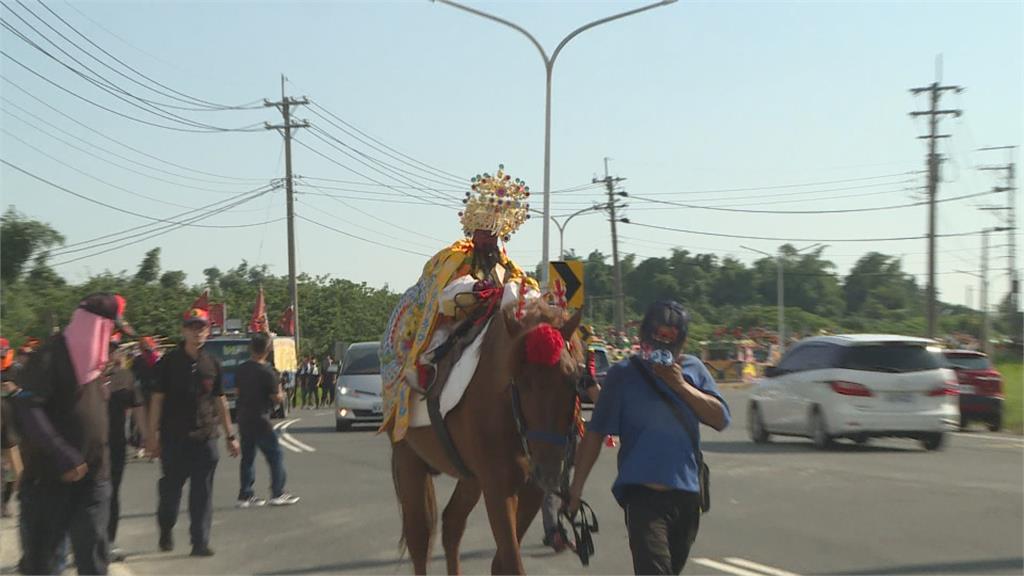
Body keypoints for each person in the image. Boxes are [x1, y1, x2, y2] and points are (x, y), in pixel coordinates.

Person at [567, 300, 731, 575]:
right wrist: (576, 490)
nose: (664, 343)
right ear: (646, 334)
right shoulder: (623, 375)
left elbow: (720, 418)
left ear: (682, 340)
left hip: (688, 499)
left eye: (671, 336)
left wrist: (679, 385)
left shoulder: (693, 370)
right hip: (643, 500)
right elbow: (595, 434)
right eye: (659, 335)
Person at [380, 165, 538, 443]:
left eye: (493, 233)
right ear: (473, 230)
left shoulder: (505, 263)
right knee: (442, 336)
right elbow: (443, 291)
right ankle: (424, 371)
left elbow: (522, 286)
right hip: (461, 317)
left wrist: (520, 293)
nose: (488, 238)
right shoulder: (455, 256)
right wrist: (476, 288)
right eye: (483, 231)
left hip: (497, 319)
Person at [14, 292, 135, 575]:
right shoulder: (49, 356)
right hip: (50, 479)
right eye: (109, 330)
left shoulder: (95, 369)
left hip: (93, 480)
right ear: (94, 326)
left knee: (93, 557)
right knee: (44, 563)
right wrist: (64, 455)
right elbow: (28, 408)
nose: (111, 339)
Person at [147, 307, 239, 558]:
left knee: (203, 492)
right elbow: (157, 400)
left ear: (208, 331)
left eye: (202, 327)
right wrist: (151, 436)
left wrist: (230, 435)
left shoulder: (213, 364)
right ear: (183, 330)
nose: (197, 332)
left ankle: (199, 541)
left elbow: (220, 400)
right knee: (171, 493)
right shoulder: (168, 363)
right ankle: (166, 528)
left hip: (206, 437)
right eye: (192, 327)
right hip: (175, 438)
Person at [540, 324, 602, 553]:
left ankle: (559, 528)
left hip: (571, 429)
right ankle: (554, 531)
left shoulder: (578, 365)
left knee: (564, 483)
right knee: (551, 483)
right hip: (551, 432)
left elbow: (588, 388)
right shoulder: (551, 366)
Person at [235, 332, 300, 508]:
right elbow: (276, 398)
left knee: (247, 457)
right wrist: (282, 392)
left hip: (243, 417)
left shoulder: (241, 369)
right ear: (268, 349)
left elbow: (238, 392)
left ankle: (245, 495)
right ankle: (277, 492)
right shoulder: (268, 372)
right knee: (275, 454)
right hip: (260, 418)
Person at [106, 335, 146, 562]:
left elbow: (138, 407)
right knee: (89, 495)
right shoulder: (83, 376)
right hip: (87, 446)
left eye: (112, 350)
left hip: (115, 445)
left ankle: (108, 541)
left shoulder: (125, 377)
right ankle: (85, 539)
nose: (109, 354)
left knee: (111, 494)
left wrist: (147, 438)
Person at [1, 337, 23, 519]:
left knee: (14, 471)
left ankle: (6, 502)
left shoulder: (16, 371)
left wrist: (15, 390)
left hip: (11, 429)